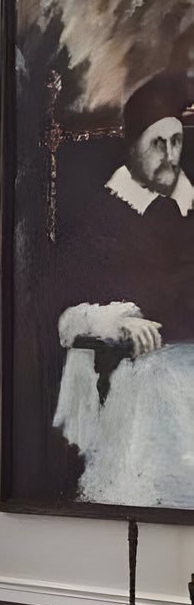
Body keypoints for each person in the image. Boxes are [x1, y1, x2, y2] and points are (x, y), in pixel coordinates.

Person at [51, 73, 194, 507]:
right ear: (131, 146)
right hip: (138, 380)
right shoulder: (99, 219)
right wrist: (114, 321)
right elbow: (60, 314)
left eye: (177, 141)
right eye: (157, 143)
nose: (171, 156)